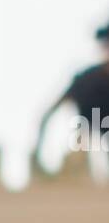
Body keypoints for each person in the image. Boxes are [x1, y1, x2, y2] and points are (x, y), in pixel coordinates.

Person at [36, 17, 109, 166]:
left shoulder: (86, 80)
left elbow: (46, 116)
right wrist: (38, 161)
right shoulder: (86, 81)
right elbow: (47, 116)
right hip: (85, 163)